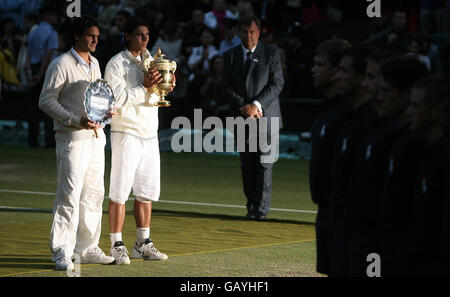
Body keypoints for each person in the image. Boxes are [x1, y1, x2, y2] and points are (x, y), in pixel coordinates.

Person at [39, 16, 116, 271]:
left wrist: (105, 112)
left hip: (95, 138)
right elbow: (46, 100)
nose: (95, 40)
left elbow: (96, 100)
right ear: (76, 36)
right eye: (90, 35)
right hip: (71, 138)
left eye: (97, 35)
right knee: (69, 195)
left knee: (93, 195)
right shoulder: (61, 64)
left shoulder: (95, 63)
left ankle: (88, 247)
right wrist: (74, 119)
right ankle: (62, 251)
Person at [104, 18, 174, 265]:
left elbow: (152, 95)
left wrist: (164, 87)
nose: (144, 39)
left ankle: (142, 243)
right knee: (120, 191)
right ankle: (116, 244)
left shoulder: (151, 61)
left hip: (149, 133)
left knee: (146, 192)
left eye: (147, 34)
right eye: (139, 34)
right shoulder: (116, 63)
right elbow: (113, 101)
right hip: (126, 132)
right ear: (127, 36)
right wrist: (144, 87)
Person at [221, 15, 284, 221]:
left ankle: (261, 211)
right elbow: (225, 86)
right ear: (239, 32)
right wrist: (243, 106)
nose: (248, 36)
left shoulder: (271, 52)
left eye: (252, 32)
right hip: (242, 118)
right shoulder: (230, 55)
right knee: (247, 165)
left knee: (264, 165)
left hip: (267, 117)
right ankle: (251, 206)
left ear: (259, 32)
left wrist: (255, 105)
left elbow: (277, 84)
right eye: (245, 31)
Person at [328, 45, 378, 276]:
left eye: (344, 71)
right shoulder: (347, 118)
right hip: (343, 221)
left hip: (368, 230)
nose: (337, 76)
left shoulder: (375, 127)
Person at [309, 39, 352, 276]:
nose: (312, 69)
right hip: (325, 211)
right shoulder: (327, 109)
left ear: (336, 71)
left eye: (319, 64)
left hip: (344, 214)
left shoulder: (349, 112)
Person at [404, 75, 450, 276]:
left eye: (415, 106)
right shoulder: (424, 153)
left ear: (436, 111)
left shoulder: (443, 160)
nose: (409, 112)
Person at [27, 5, 59, 147]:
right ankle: (49, 141)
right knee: (48, 104)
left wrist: (31, 73)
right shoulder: (52, 32)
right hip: (45, 70)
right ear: (47, 16)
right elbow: (49, 55)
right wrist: (41, 74)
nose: (55, 17)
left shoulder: (33, 31)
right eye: (53, 14)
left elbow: (28, 54)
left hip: (34, 68)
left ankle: (32, 140)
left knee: (33, 107)